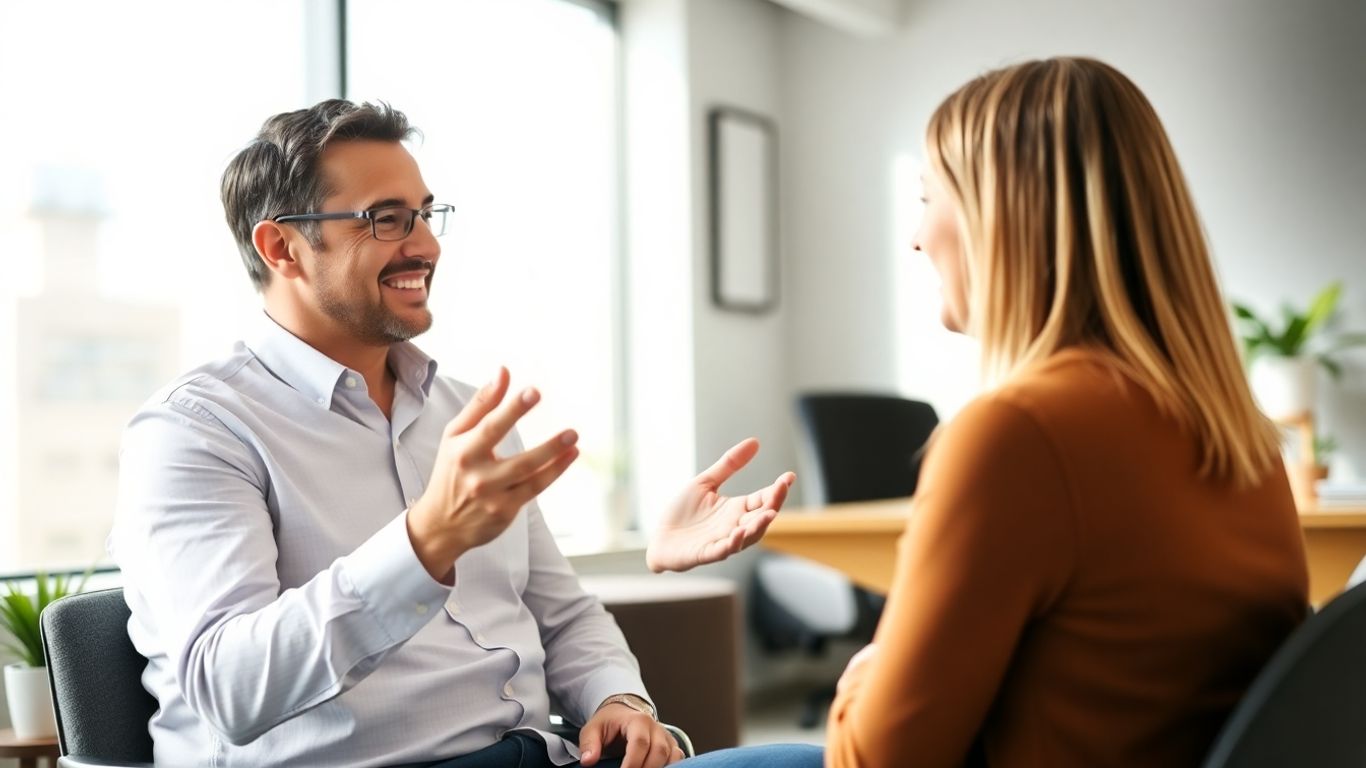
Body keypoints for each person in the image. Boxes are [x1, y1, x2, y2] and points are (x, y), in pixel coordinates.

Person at [111, 100, 822, 768]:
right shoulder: (194, 434)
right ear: (284, 247)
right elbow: (228, 688)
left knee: (829, 757)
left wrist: (617, 697)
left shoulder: (464, 414)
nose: (424, 245)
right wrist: (425, 543)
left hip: (546, 753)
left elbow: (562, 613)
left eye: (424, 214)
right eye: (386, 219)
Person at [825, 57, 1308, 767]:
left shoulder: (1016, 434)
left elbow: (872, 763)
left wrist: (863, 674)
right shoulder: (1240, 435)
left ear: (1003, 214)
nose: (918, 238)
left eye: (928, 200)